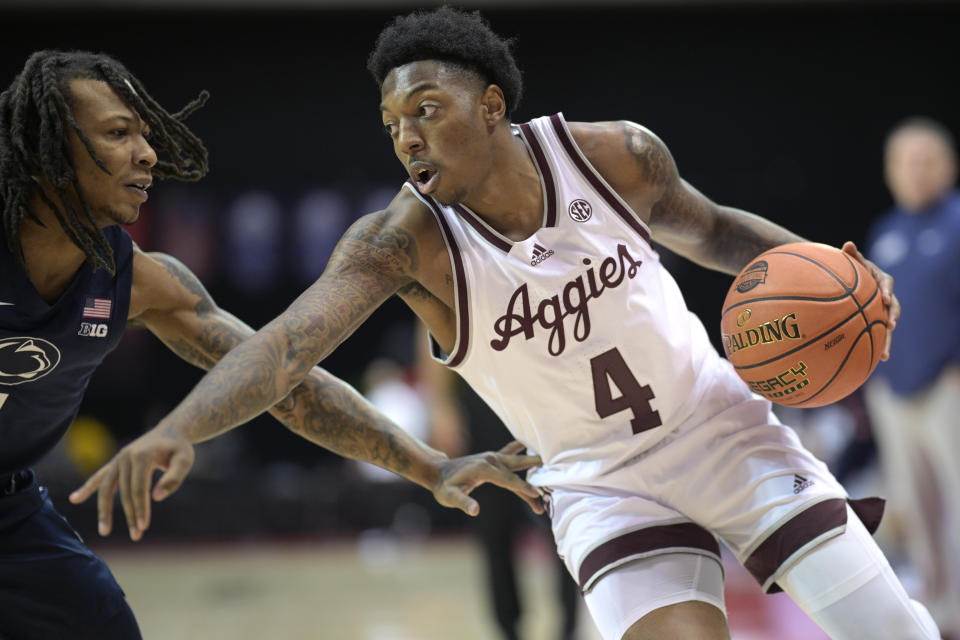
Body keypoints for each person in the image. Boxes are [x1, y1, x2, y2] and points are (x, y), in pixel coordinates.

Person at [77, 8, 941, 640]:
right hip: (603, 485)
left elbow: (714, 230)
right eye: (391, 125)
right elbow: (284, 347)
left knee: (892, 630)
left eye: (425, 109)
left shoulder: (611, 156)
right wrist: (181, 427)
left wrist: (841, 274)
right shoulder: (399, 243)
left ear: (491, 104)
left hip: (720, 428)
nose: (406, 139)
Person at [0, 49, 542, 639]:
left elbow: (288, 382)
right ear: (47, 149)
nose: (148, 153)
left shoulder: (138, 282)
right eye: (117, 133)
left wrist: (431, 467)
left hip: (11, 507)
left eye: (144, 134)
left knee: (103, 623)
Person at [417, 324, 580, 640]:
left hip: (545, 394)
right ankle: (509, 629)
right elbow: (427, 318)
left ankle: (569, 626)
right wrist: (440, 404)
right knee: (491, 521)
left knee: (565, 513)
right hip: (484, 399)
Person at [863, 116, 960, 637]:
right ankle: (944, 614)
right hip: (894, 392)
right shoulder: (887, 232)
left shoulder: (958, 223)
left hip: (948, 389)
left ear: (948, 165)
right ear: (890, 171)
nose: (915, 172)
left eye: (926, 160)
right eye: (904, 161)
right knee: (919, 509)